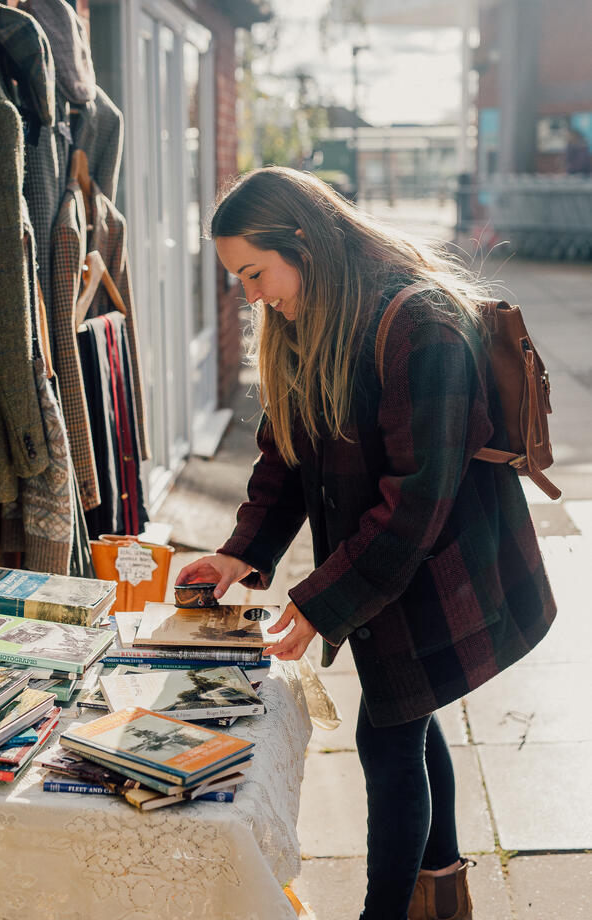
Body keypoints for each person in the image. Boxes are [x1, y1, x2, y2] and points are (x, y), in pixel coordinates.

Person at [177, 166, 556, 920]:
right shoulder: (301, 316)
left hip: (440, 565)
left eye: (255, 271)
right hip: (388, 562)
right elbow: (286, 449)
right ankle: (442, 897)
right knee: (404, 709)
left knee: (387, 736)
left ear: (303, 244)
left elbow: (418, 501)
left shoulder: (421, 323)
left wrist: (321, 604)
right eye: (236, 279)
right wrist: (241, 552)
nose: (250, 295)